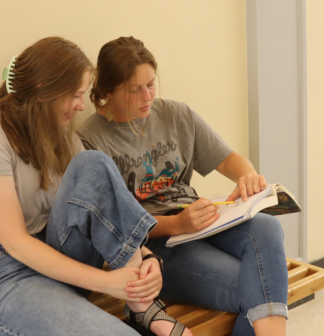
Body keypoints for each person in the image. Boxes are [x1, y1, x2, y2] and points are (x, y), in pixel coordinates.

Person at [0, 37, 191, 336]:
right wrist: (106, 283)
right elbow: (15, 242)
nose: (81, 105)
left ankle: (140, 303)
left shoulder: (64, 139)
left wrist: (147, 259)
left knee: (93, 163)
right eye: (75, 95)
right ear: (44, 91)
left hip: (57, 260)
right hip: (1, 274)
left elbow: (106, 206)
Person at [77, 36, 289, 336]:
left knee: (268, 228)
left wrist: (247, 175)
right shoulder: (91, 142)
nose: (146, 96)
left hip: (201, 220)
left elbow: (228, 159)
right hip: (157, 247)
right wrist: (177, 224)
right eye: (134, 89)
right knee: (259, 289)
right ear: (108, 91)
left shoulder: (176, 115)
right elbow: (114, 226)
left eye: (151, 84)